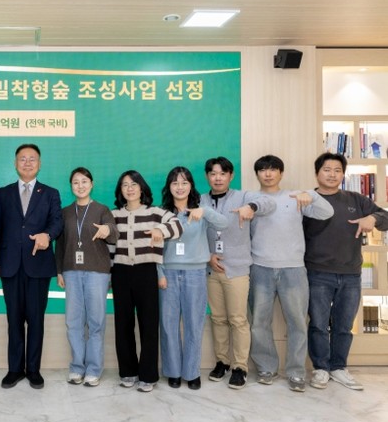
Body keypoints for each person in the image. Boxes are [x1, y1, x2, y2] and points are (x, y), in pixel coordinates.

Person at [249, 154, 333, 393]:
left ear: (281, 173)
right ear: (257, 174)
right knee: (259, 322)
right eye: (263, 170)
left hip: (294, 269)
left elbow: (326, 212)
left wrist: (313, 196)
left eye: (273, 169)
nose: (268, 174)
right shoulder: (251, 200)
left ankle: (296, 372)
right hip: (260, 267)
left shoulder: (296, 196)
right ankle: (266, 367)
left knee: (297, 322)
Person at [304, 152, 388, 390]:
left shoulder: (356, 199)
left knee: (344, 325)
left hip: (351, 274)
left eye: (337, 170)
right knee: (318, 324)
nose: (332, 174)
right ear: (317, 173)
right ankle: (321, 368)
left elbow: (385, 217)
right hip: (317, 273)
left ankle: (339, 367)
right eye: (327, 170)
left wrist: (373, 218)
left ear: (343, 174)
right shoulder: (308, 200)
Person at [0, 144, 63, 390]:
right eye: (23, 159)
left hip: (38, 266)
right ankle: (14, 369)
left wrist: (47, 235)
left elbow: (57, 222)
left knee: (36, 320)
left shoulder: (50, 193)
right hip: (9, 265)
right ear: (15, 163)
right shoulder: (3, 193)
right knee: (14, 319)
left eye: (32, 159)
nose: (28, 163)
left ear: (39, 164)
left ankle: (33, 369)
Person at [200, 157, 275, 390]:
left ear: (231, 176)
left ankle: (240, 367)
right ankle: (222, 362)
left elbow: (268, 203)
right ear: (207, 176)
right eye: (213, 174)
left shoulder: (244, 197)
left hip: (238, 269)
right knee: (218, 318)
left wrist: (251, 207)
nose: (218, 178)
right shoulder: (201, 200)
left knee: (238, 320)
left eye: (223, 173)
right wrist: (208, 256)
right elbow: (194, 233)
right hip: (211, 269)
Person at [109, 170, 182, 393]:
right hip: (120, 272)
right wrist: (109, 274)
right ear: (120, 190)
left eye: (134, 184)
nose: (130, 188)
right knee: (123, 324)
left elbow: (178, 226)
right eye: (125, 185)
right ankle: (127, 372)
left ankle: (148, 375)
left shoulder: (155, 212)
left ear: (142, 188)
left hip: (146, 271)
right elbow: (109, 247)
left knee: (149, 324)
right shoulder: (113, 215)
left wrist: (160, 229)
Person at [158, 166, 227, 391]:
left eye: (184, 183)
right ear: (169, 187)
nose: (180, 187)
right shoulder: (161, 213)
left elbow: (224, 223)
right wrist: (159, 273)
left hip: (195, 273)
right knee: (168, 325)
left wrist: (204, 211)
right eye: (175, 183)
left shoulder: (200, 210)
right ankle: (173, 372)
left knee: (194, 324)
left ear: (191, 186)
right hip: (168, 274)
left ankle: (192, 372)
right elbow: (154, 248)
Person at [55, 167, 117, 387]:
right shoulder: (65, 212)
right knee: (73, 322)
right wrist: (59, 271)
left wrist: (107, 230)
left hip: (97, 272)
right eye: (76, 182)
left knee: (96, 322)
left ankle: (93, 369)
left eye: (84, 181)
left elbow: (114, 233)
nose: (80, 186)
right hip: (71, 271)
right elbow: (60, 244)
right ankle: (76, 368)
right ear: (71, 186)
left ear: (92, 184)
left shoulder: (102, 209)